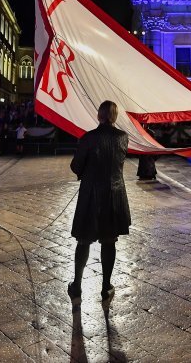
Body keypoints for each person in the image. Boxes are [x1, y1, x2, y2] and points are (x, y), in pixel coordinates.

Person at [68, 101, 129, 304]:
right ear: (115, 116)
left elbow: (76, 166)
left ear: (99, 115)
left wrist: (86, 171)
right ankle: (105, 286)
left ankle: (77, 285)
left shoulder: (88, 138)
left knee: (84, 240)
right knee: (109, 241)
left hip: (90, 193)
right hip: (113, 193)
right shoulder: (123, 137)